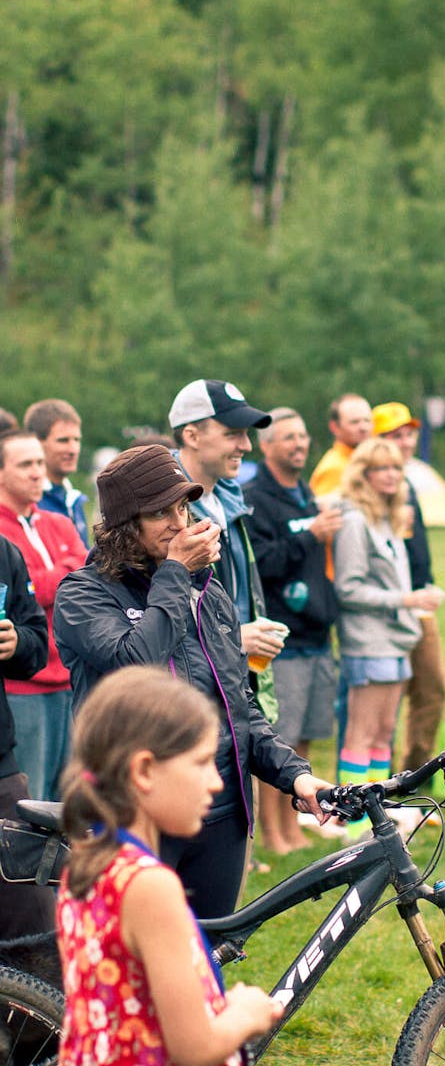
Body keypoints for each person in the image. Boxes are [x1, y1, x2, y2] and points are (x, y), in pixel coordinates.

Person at [47, 666, 280, 1066]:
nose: (216, 781)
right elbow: (194, 1046)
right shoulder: (151, 887)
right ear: (145, 771)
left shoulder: (87, 866)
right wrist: (248, 1009)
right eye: (204, 763)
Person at [53, 443, 332, 918]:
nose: (180, 524)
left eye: (183, 506)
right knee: (141, 969)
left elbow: (236, 707)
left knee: (211, 958)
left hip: (220, 812)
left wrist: (295, 775)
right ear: (124, 524)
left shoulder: (207, 591)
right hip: (135, 816)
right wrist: (176, 573)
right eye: (161, 512)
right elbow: (135, 662)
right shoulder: (82, 594)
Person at [244, 407, 343, 854]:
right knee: (277, 739)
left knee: (301, 739)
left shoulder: (306, 493)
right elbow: (262, 563)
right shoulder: (256, 497)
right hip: (282, 641)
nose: (299, 445)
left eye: (303, 437)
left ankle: (293, 826)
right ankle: (273, 835)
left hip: (317, 634)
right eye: (288, 438)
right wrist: (311, 535)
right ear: (266, 446)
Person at [332, 437, 440, 794]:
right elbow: (348, 589)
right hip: (368, 640)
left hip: (397, 638)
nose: (392, 475)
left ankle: (381, 808)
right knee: (361, 733)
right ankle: (356, 818)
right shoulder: (354, 521)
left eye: (397, 467)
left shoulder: (386, 518)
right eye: (382, 468)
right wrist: (406, 600)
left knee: (383, 733)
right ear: (363, 474)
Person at [168, 379, 287, 687]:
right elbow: (152, 618)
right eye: (232, 434)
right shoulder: (161, 513)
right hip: (192, 693)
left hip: (236, 681)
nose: (246, 446)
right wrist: (234, 637)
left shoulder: (229, 501)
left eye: (246, 434)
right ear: (192, 435)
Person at [0, 430, 87, 799]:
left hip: (67, 680)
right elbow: (37, 589)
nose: (38, 473)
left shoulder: (59, 522)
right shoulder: (3, 536)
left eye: (39, 462)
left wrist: (52, 581)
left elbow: (86, 584)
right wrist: (64, 571)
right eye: (25, 465)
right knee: (29, 809)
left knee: (69, 805)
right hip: (21, 689)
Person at [371, 401, 445, 770]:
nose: (405, 442)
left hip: (421, 602)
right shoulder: (371, 487)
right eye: (394, 435)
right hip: (388, 607)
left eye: (409, 434)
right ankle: (378, 788)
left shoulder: (410, 480)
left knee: (432, 690)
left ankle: (417, 776)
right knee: (384, 704)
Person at [0, 533, 51, 984]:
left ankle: (41, 1046)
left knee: (32, 925)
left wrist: (18, 643)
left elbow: (37, 640)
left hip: (2, 771)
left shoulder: (4, 551)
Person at [23, 398, 89, 544]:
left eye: (77, 440)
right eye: (63, 440)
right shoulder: (27, 502)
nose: (73, 449)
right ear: (36, 443)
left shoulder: (73, 499)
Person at [309, 393, 373, 500]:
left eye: (367, 420)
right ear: (334, 427)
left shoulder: (363, 460)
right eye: (354, 422)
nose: (363, 427)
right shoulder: (334, 469)